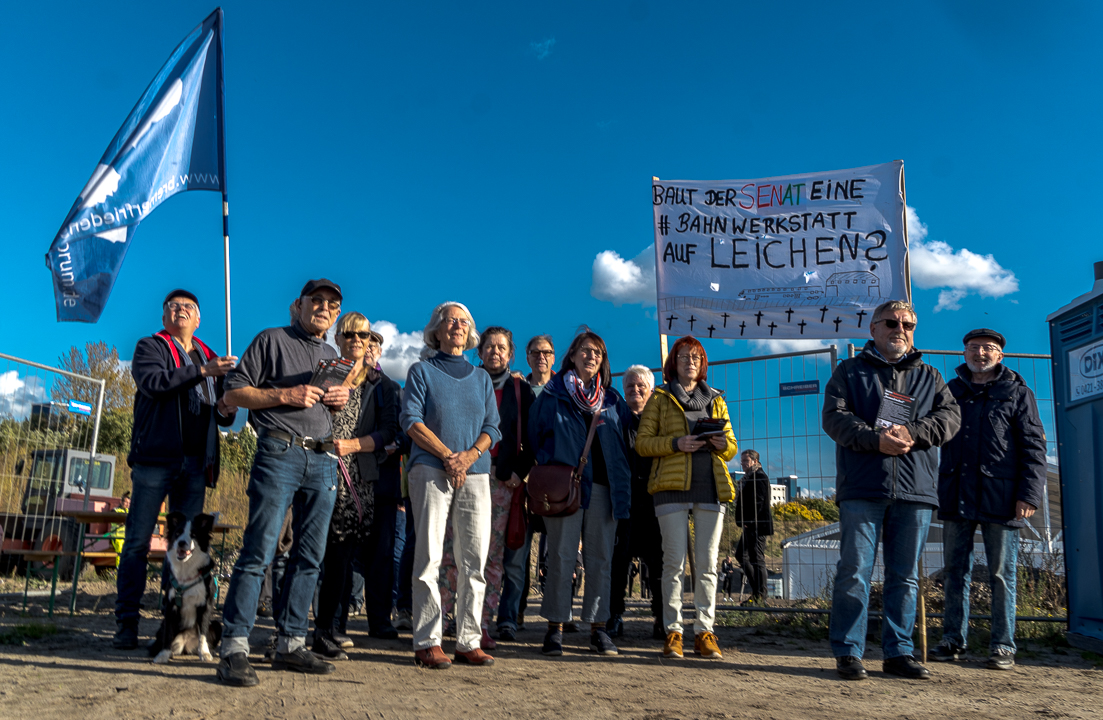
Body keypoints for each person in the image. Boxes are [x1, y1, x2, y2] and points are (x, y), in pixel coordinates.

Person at [216, 279, 350, 687]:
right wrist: (284, 395)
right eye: (317, 301)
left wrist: (337, 400)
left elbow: (322, 406)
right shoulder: (271, 340)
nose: (324, 308)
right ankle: (234, 647)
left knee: (310, 556)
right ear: (299, 305)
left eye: (332, 304)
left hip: (323, 457)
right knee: (259, 550)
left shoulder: (332, 354)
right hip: (279, 453)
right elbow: (234, 391)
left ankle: (291, 643)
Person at [823, 300, 961, 681]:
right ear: (873, 328)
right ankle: (849, 652)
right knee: (854, 570)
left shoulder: (930, 376)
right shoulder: (849, 372)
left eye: (908, 324)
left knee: (905, 576)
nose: (900, 329)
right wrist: (874, 440)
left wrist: (912, 433)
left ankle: (899, 652)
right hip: (863, 487)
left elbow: (949, 419)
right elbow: (834, 418)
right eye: (891, 322)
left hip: (915, 490)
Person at [113, 289, 237, 649]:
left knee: (184, 548)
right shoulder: (151, 347)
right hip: (156, 459)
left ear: (198, 320)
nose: (180, 310)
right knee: (137, 541)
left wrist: (227, 408)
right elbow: (154, 384)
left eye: (189, 307)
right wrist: (202, 372)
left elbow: (220, 416)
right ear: (165, 316)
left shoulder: (209, 355)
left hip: (197, 464)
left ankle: (172, 625)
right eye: (173, 306)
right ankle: (126, 622)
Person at [930, 328, 1046, 670]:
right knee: (955, 572)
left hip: (1002, 496)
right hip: (956, 492)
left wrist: (1028, 494)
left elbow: (1034, 447)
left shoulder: (1018, 393)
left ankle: (1002, 645)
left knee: (1000, 574)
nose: (980, 353)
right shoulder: (950, 391)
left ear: (1000, 356)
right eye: (973, 348)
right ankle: (953, 640)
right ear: (964, 353)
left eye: (988, 348)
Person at [400, 301, 501, 669]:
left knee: (474, 559)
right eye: (450, 320)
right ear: (437, 330)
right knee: (429, 556)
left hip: (474, 473)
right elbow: (411, 420)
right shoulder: (421, 371)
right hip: (430, 469)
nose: (457, 326)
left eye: (464, 321)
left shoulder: (481, 378)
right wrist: (447, 455)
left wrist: (468, 457)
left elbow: (493, 427)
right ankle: (428, 641)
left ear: (469, 332)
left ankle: (469, 640)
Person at [529, 331, 631, 658]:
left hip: (605, 489)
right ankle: (555, 628)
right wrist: (552, 465)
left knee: (600, 559)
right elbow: (534, 437)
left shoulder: (614, 400)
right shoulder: (553, 394)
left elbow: (627, 443)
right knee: (560, 556)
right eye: (585, 351)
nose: (591, 357)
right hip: (566, 489)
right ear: (572, 356)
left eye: (598, 353)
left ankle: (598, 629)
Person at [636, 336, 738, 661]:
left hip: (711, 486)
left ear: (702, 363)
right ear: (673, 363)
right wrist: (676, 443)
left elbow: (733, 445)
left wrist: (723, 445)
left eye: (695, 357)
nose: (690, 362)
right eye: (683, 357)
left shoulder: (717, 399)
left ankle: (705, 631)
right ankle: (674, 632)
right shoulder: (660, 398)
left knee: (708, 565)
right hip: (670, 488)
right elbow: (643, 443)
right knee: (673, 563)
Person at [438, 326, 535, 648]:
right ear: (478, 352)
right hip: (463, 474)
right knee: (452, 551)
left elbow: (534, 439)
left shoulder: (521, 391)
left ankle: (480, 623)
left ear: (510, 353)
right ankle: (448, 618)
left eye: (501, 347)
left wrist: (518, 474)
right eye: (489, 347)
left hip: (502, 482)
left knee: (490, 556)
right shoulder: (465, 382)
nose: (495, 352)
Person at [312, 313, 393, 659]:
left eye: (363, 334)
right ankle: (312, 626)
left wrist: (354, 445)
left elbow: (391, 432)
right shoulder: (323, 373)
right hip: (317, 471)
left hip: (357, 479)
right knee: (313, 553)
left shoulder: (382, 385)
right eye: (349, 333)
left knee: (342, 557)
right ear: (338, 337)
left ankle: (332, 626)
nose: (356, 339)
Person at [351, 331, 404, 642]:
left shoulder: (392, 388)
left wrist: (389, 444)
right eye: (363, 342)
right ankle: (335, 620)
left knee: (382, 555)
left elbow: (402, 431)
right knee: (343, 553)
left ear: (380, 351)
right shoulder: (340, 381)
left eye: (374, 344)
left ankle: (380, 621)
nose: (368, 348)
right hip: (346, 479)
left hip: (383, 481)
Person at [607, 365, 664, 640]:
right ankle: (614, 615)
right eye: (629, 385)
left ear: (651, 391)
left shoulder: (660, 422)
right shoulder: (615, 420)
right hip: (623, 502)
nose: (635, 389)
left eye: (641, 385)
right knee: (618, 563)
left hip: (654, 502)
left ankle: (662, 617)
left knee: (659, 564)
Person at [733, 450, 774, 605]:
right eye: (742, 461)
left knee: (757, 559)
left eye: (746, 461)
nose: (742, 463)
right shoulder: (749, 478)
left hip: (757, 525)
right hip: (750, 525)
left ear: (755, 461)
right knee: (741, 555)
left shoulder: (760, 477)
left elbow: (758, 502)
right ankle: (757, 591)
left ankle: (760, 595)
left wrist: (749, 521)